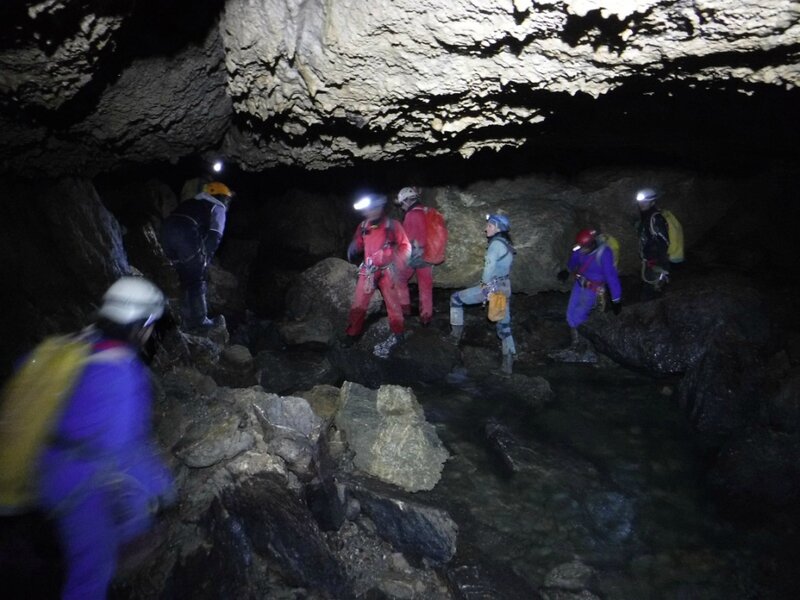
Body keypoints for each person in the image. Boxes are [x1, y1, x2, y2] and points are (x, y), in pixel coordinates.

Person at [36, 276, 174, 600]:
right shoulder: (122, 373)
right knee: (89, 578)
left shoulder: (75, 347)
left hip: (45, 467)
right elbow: (124, 451)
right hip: (77, 485)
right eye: (150, 325)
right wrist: (161, 490)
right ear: (140, 326)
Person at [160, 181, 234, 331]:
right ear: (219, 197)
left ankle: (181, 318)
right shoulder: (217, 207)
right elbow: (215, 235)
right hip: (185, 232)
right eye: (226, 199)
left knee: (181, 275)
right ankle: (200, 321)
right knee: (196, 278)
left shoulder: (192, 202)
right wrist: (204, 260)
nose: (227, 203)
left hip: (165, 231)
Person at [343, 194, 411, 353]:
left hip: (388, 270)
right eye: (367, 210)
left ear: (379, 208)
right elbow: (359, 243)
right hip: (369, 271)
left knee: (393, 305)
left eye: (372, 209)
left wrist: (397, 262)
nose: (369, 213)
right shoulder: (363, 226)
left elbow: (406, 247)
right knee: (359, 304)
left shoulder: (393, 226)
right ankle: (353, 333)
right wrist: (354, 246)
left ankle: (398, 333)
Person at [450, 213, 516, 376]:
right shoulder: (507, 244)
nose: (485, 228)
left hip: (492, 288)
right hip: (504, 286)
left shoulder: (495, 245)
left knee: (456, 299)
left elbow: (488, 269)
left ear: (498, 228)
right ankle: (508, 365)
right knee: (504, 326)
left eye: (490, 226)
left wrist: (485, 288)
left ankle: (454, 336)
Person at [555, 228, 622, 356]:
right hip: (580, 283)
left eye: (584, 247)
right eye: (581, 246)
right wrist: (567, 270)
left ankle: (583, 347)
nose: (582, 249)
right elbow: (574, 259)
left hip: (594, 288)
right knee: (570, 315)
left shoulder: (604, 253)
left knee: (578, 316)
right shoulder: (579, 249)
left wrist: (616, 299)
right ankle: (576, 344)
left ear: (592, 244)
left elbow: (611, 277)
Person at [393, 187, 434, 326]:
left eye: (402, 204)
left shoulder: (411, 215)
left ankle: (405, 310)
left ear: (406, 200)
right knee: (426, 288)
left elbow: (406, 240)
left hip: (414, 256)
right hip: (427, 255)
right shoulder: (426, 211)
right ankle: (426, 318)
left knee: (399, 279)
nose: (402, 207)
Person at [636, 187, 670, 300]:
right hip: (650, 262)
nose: (642, 204)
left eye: (645, 201)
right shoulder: (646, 217)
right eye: (640, 201)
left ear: (652, 202)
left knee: (651, 294)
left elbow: (664, 241)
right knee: (650, 293)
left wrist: (659, 264)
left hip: (656, 263)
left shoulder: (655, 218)